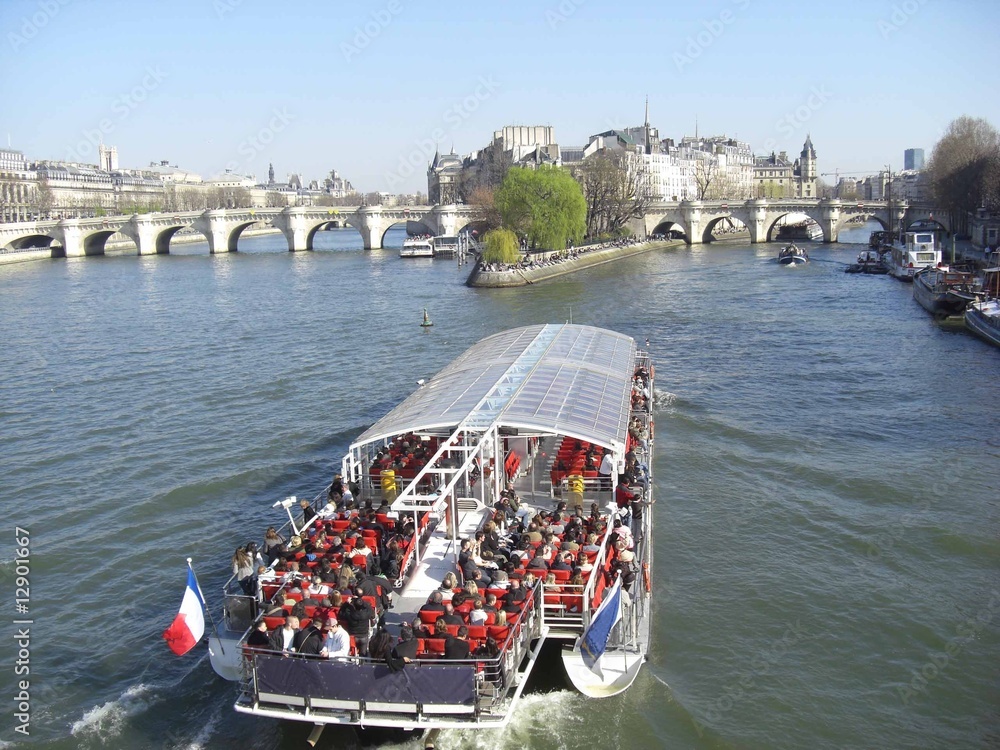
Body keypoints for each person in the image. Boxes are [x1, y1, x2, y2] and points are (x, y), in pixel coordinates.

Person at [339, 590, 375, 656]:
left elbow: (340, 613)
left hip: (353, 636)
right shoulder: (366, 613)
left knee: (351, 653)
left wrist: (346, 603)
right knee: (363, 654)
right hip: (363, 635)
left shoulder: (349, 613)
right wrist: (361, 600)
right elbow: (370, 609)